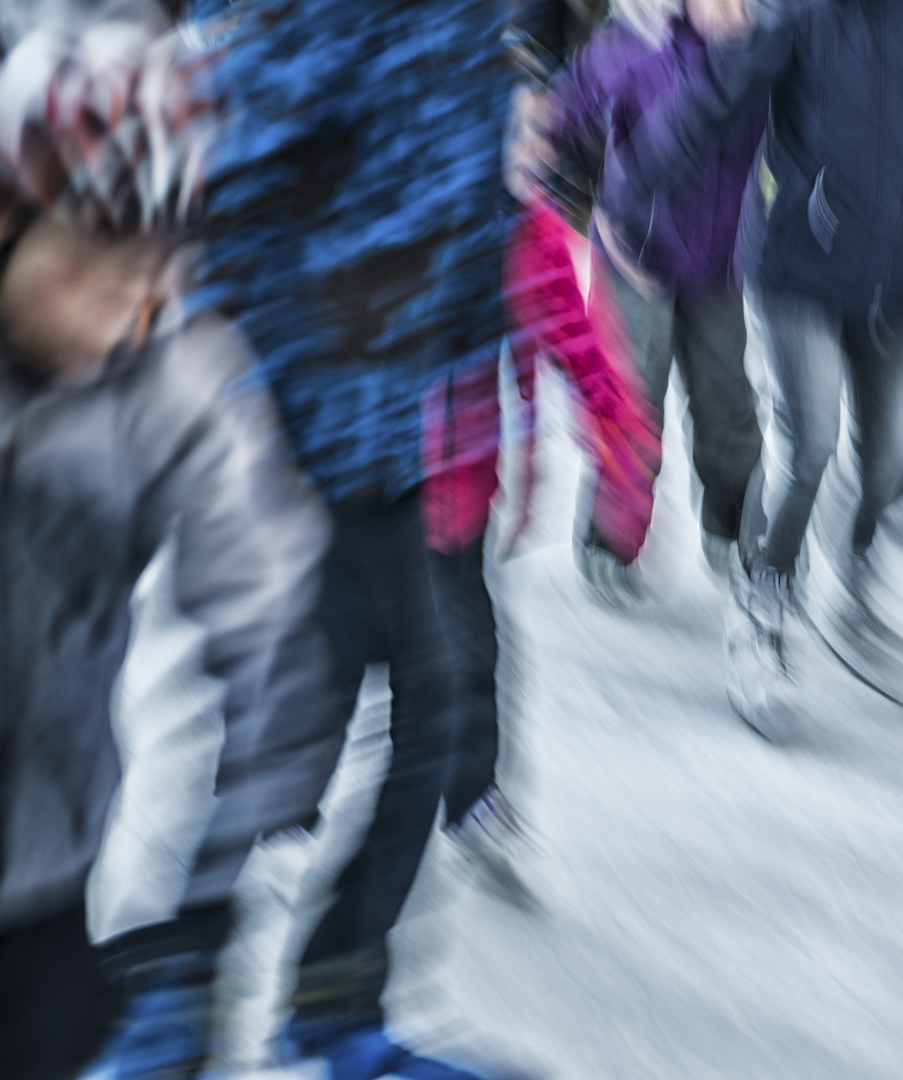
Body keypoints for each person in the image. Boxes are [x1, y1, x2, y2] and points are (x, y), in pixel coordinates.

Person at [0, 10, 342, 1080]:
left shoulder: (169, 382)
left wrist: (197, 923)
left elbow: (266, 610)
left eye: (152, 265)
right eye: (90, 255)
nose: (121, 302)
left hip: (44, 873)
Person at [193, 1, 534, 1075]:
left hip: (387, 413)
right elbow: (237, 189)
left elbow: (472, 180)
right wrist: (263, 396)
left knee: (372, 703)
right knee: (373, 705)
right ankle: (218, 1004)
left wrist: (472, 361)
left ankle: (313, 1006)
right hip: (303, 415)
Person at [626, 0, 903, 733]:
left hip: (901, 282)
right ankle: (763, 602)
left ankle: (856, 563)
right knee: (809, 446)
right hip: (800, 268)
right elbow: (713, 100)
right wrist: (631, 186)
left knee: (891, 457)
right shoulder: (801, 16)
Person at [545, 0, 767, 601]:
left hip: (719, 265)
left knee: (727, 401)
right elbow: (565, 114)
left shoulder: (759, 53)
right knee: (633, 398)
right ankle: (607, 541)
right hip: (633, 257)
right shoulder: (632, 44)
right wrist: (544, 171)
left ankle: (733, 526)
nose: (731, 10)